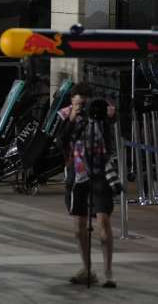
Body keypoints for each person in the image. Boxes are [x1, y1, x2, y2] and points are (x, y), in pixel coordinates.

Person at [54, 82, 118, 287]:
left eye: (84, 104)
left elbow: (114, 133)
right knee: (78, 227)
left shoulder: (100, 115)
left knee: (103, 223)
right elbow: (60, 143)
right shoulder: (67, 118)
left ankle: (108, 272)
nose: (82, 108)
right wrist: (71, 120)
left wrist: (110, 116)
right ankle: (87, 269)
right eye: (77, 105)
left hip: (100, 176)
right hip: (77, 178)